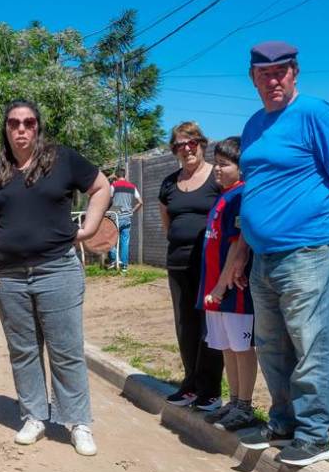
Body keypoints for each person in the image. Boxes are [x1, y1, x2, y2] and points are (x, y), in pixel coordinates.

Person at [227, 41, 329, 467]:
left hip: (311, 250)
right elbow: (256, 193)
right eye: (265, 74)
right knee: (272, 345)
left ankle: (315, 432)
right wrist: (240, 253)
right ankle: (284, 421)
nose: (274, 80)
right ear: (253, 78)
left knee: (311, 344)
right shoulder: (254, 126)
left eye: (282, 72)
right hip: (264, 257)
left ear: (295, 73)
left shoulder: (314, 113)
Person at [0, 99, 111, 456]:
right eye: (14, 123)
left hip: (57, 269)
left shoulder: (62, 160)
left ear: (38, 127)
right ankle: (34, 415)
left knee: (66, 350)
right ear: (5, 129)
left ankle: (78, 422)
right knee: (24, 351)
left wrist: (90, 226)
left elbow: (101, 187)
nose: (21, 129)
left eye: (29, 123)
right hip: (10, 276)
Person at [158, 122, 224, 411]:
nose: (186, 149)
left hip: (210, 264)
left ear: (202, 143)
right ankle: (190, 384)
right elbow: (167, 223)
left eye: (191, 143)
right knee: (185, 325)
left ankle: (210, 390)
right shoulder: (169, 184)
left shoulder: (216, 177)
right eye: (179, 146)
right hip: (178, 263)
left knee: (209, 326)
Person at [198, 137, 257, 431]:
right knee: (226, 348)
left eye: (224, 164)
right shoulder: (223, 196)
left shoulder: (241, 195)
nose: (217, 169)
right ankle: (233, 401)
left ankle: (245, 405)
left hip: (233, 290)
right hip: (213, 288)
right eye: (216, 163)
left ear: (241, 168)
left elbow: (236, 246)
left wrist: (221, 286)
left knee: (241, 347)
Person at [106, 168, 142, 272]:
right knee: (125, 242)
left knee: (109, 239)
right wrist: (132, 211)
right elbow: (140, 202)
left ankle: (114, 260)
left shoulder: (113, 186)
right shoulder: (132, 187)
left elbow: (108, 199)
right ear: (125, 176)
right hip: (127, 217)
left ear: (116, 176)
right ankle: (124, 266)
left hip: (115, 214)